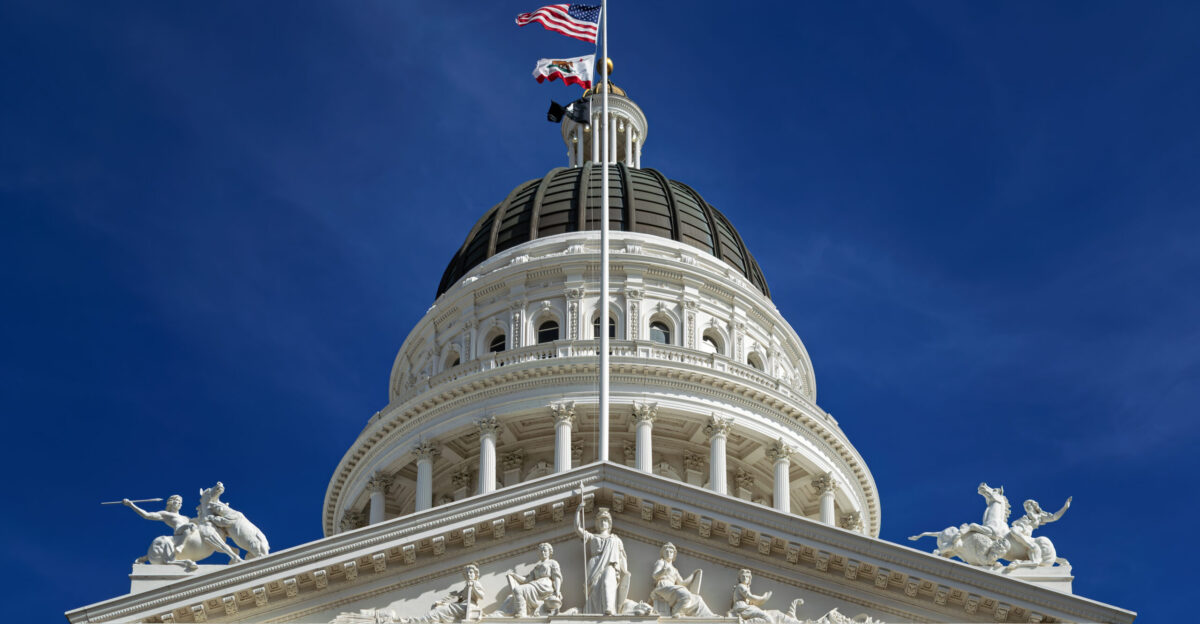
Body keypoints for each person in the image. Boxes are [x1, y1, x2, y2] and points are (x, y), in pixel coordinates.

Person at [575, 506, 629, 615]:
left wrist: (626, 572)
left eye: (605, 520)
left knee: (607, 581)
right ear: (597, 523)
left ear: (609, 524)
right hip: (594, 564)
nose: (603, 522)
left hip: (610, 564)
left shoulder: (615, 539)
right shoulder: (593, 537)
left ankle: (609, 608)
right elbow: (578, 529)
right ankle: (596, 613)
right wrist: (577, 512)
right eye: (600, 520)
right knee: (594, 591)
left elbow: (622, 556)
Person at [397, 564, 483, 624]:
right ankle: (420, 621)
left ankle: (415, 621)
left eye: (471, 572)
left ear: (475, 574)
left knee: (439, 611)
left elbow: (481, 596)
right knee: (440, 609)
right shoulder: (466, 586)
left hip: (467, 607)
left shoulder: (475, 583)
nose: (469, 574)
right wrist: (446, 601)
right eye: (467, 573)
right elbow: (459, 598)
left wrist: (474, 587)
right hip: (460, 606)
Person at [650, 542, 714, 616]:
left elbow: (682, 583)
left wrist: (693, 574)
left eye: (671, 552)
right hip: (663, 586)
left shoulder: (675, 570)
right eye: (666, 551)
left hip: (672, 587)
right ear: (663, 554)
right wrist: (663, 570)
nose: (668, 553)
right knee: (685, 595)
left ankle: (710, 617)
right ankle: (677, 612)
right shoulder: (661, 562)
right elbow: (655, 576)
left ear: (674, 555)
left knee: (697, 599)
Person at [501, 542, 563, 616]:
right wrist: (514, 575)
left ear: (549, 552)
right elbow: (526, 580)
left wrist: (557, 591)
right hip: (535, 584)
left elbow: (557, 577)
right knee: (517, 591)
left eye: (545, 551)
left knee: (518, 590)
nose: (543, 553)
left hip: (545, 586)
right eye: (541, 551)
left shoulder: (553, 563)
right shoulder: (536, 567)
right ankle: (522, 612)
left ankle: (522, 613)